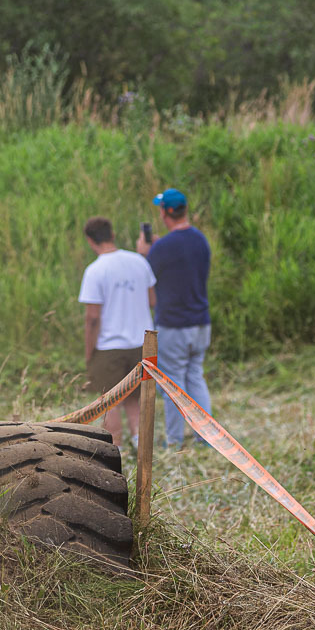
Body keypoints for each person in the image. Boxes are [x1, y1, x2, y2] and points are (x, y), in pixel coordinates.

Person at [135, 188, 212, 448]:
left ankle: (175, 441)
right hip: (201, 322)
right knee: (195, 376)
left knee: (172, 382)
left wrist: (145, 253)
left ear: (165, 213)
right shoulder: (200, 240)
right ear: (185, 210)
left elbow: (147, 276)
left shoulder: (162, 248)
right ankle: (206, 437)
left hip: (174, 324)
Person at [78, 217, 156, 448]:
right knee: (135, 398)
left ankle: (115, 449)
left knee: (109, 402)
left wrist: (89, 352)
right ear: (112, 235)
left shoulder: (95, 271)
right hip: (142, 343)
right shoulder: (139, 262)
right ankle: (141, 446)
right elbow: (152, 300)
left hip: (109, 346)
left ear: (90, 241)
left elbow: (92, 318)